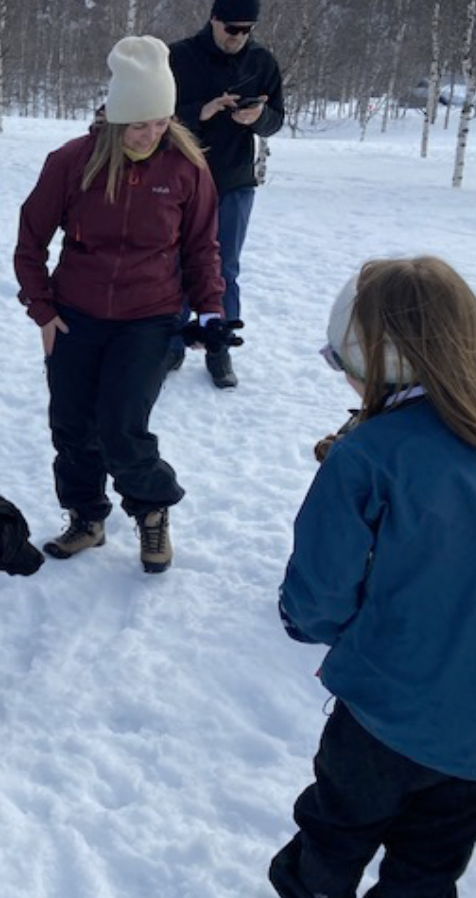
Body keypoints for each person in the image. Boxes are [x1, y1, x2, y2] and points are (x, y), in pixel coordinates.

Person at [270, 257, 476, 898]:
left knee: (333, 838)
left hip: (384, 714)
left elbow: (317, 601)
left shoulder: (367, 457)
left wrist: (312, 623)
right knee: (428, 869)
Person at [13, 36, 224, 574]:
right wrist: (42, 308)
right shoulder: (71, 162)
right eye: (139, 124)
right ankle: (86, 516)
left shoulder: (187, 168)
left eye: (160, 121)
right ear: (114, 118)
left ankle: (152, 511)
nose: (151, 134)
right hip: (76, 315)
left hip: (148, 317)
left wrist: (211, 312)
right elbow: (30, 241)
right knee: (71, 425)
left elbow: (201, 247)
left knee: (122, 427)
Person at [167, 0, 284, 387]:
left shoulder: (262, 62)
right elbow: (158, 118)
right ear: (214, 20)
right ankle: (172, 344)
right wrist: (202, 111)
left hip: (234, 181)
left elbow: (276, 120)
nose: (239, 37)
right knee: (177, 265)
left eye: (247, 30)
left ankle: (220, 350)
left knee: (224, 268)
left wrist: (258, 118)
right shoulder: (179, 57)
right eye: (232, 28)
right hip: (182, 179)